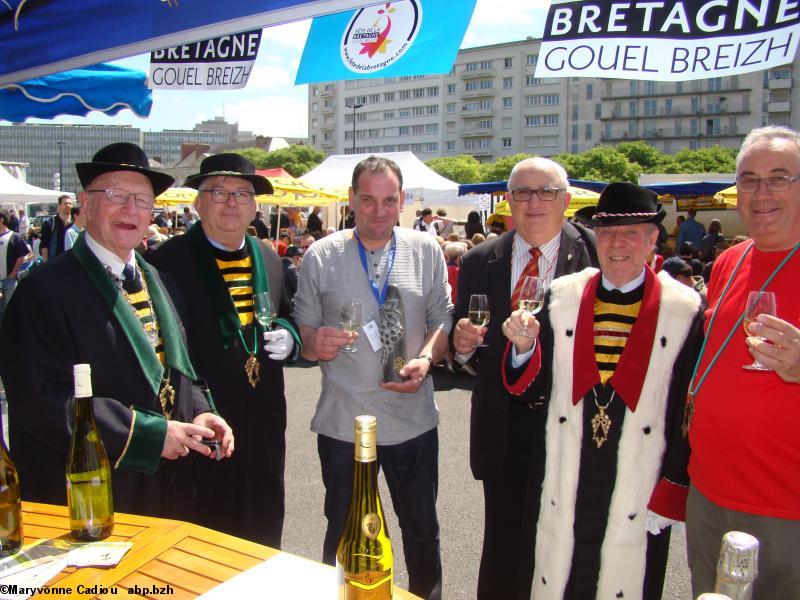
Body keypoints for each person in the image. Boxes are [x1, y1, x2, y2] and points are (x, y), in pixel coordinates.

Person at [0, 142, 233, 519]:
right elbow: (42, 402)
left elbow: (178, 370)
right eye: (116, 195)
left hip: (166, 493)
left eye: (142, 200)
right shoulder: (43, 291)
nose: (130, 210)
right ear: (85, 204)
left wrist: (202, 414)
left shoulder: (160, 281)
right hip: (91, 496)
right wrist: (149, 435)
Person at [502, 182, 702, 599]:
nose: (618, 244)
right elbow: (534, 390)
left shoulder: (684, 310)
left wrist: (673, 484)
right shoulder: (562, 297)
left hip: (639, 476)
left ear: (652, 240)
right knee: (557, 575)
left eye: (632, 233)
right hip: (564, 466)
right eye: (608, 233)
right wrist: (523, 349)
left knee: (626, 578)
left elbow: (688, 409)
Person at [293, 156, 452, 600]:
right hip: (343, 424)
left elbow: (442, 318)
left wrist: (426, 358)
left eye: (388, 200)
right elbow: (304, 332)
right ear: (351, 199)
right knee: (344, 534)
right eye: (368, 200)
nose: (378, 211)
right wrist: (315, 342)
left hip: (412, 422)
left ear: (402, 201)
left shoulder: (426, 249)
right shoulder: (321, 255)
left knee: (422, 532)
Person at [452, 156, 598, 600]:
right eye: (522, 192)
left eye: (546, 192)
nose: (534, 202)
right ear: (508, 201)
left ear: (566, 200)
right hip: (503, 427)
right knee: (503, 547)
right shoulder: (480, 260)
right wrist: (462, 347)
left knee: (565, 546)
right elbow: (466, 344)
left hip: (569, 423)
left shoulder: (595, 253)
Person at [149, 153, 298, 548]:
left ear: (254, 206)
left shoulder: (270, 257)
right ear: (198, 203)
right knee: (205, 533)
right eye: (218, 192)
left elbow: (287, 315)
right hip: (203, 418)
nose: (232, 202)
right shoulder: (165, 263)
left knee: (263, 523)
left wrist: (289, 337)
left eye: (242, 194)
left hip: (264, 419)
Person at [686, 125, 800, 598]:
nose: (762, 192)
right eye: (750, 180)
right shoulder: (729, 261)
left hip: (785, 508)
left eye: (779, 178)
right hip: (708, 493)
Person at [0, 209, 32, 323]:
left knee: (11, 308)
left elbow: (23, 254)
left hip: (9, 279)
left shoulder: (14, 236)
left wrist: (13, 273)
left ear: (1, 220)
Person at [40, 194, 73, 261]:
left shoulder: (76, 222)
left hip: (72, 262)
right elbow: (44, 246)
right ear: (59, 206)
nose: (68, 205)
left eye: (70, 203)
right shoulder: (50, 223)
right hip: (55, 261)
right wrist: (46, 264)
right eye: (65, 204)